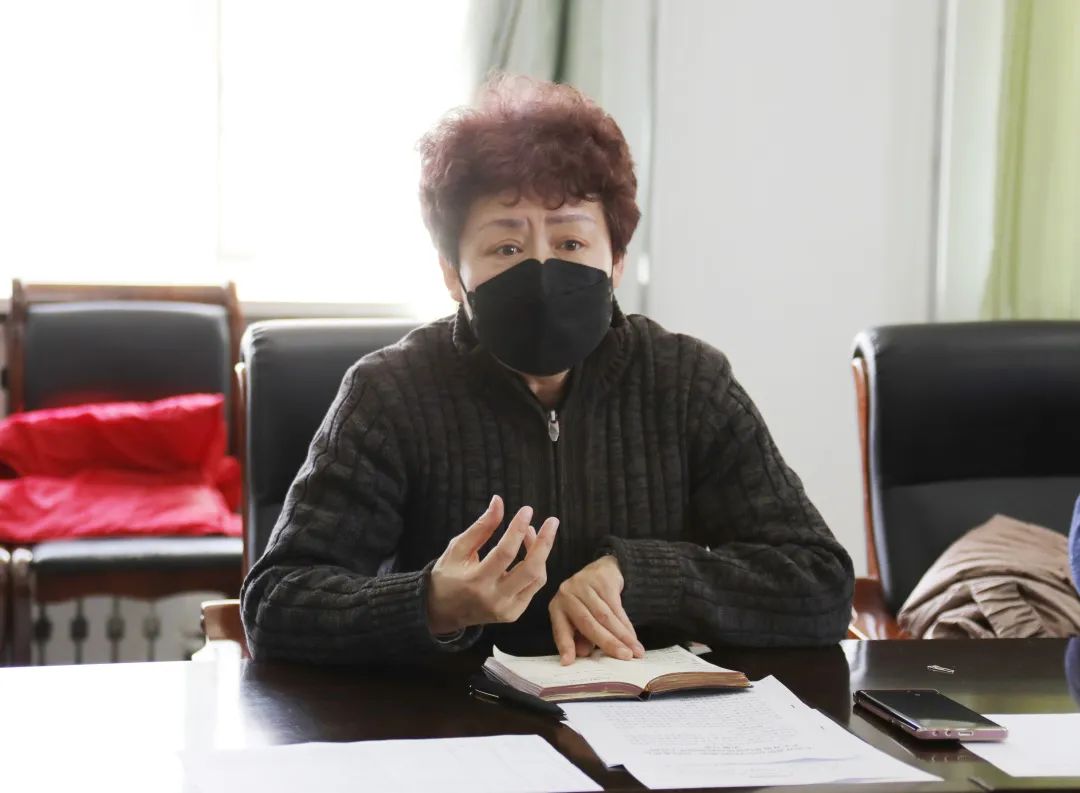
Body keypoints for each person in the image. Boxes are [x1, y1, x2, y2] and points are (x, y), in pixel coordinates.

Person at [240, 75, 854, 665]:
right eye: (507, 247)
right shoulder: (389, 393)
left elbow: (820, 583)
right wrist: (430, 603)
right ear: (453, 274)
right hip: (458, 720)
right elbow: (274, 603)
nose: (540, 271)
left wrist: (644, 577)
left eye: (570, 244)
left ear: (616, 262)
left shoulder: (689, 381)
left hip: (644, 717)